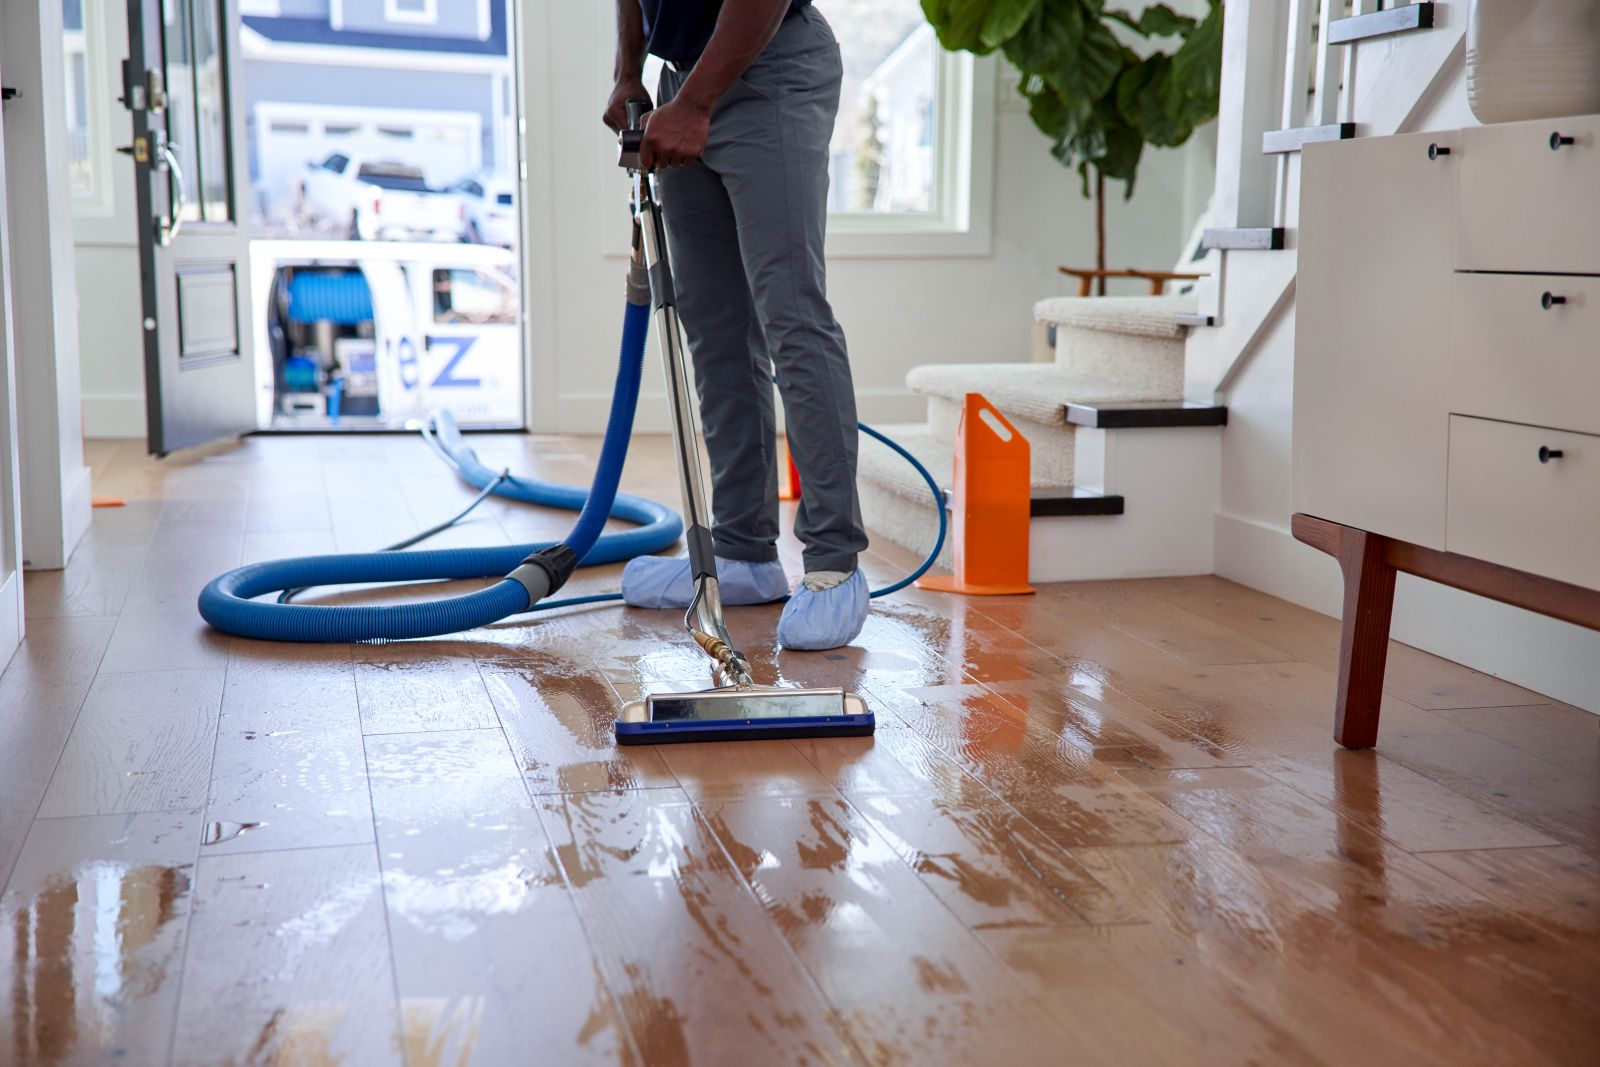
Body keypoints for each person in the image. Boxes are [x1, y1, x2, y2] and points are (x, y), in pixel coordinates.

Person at [605, 0, 870, 651]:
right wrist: (629, 71)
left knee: (793, 317)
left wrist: (695, 104)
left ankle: (835, 565)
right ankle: (743, 554)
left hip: (769, 63)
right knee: (715, 328)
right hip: (681, 81)